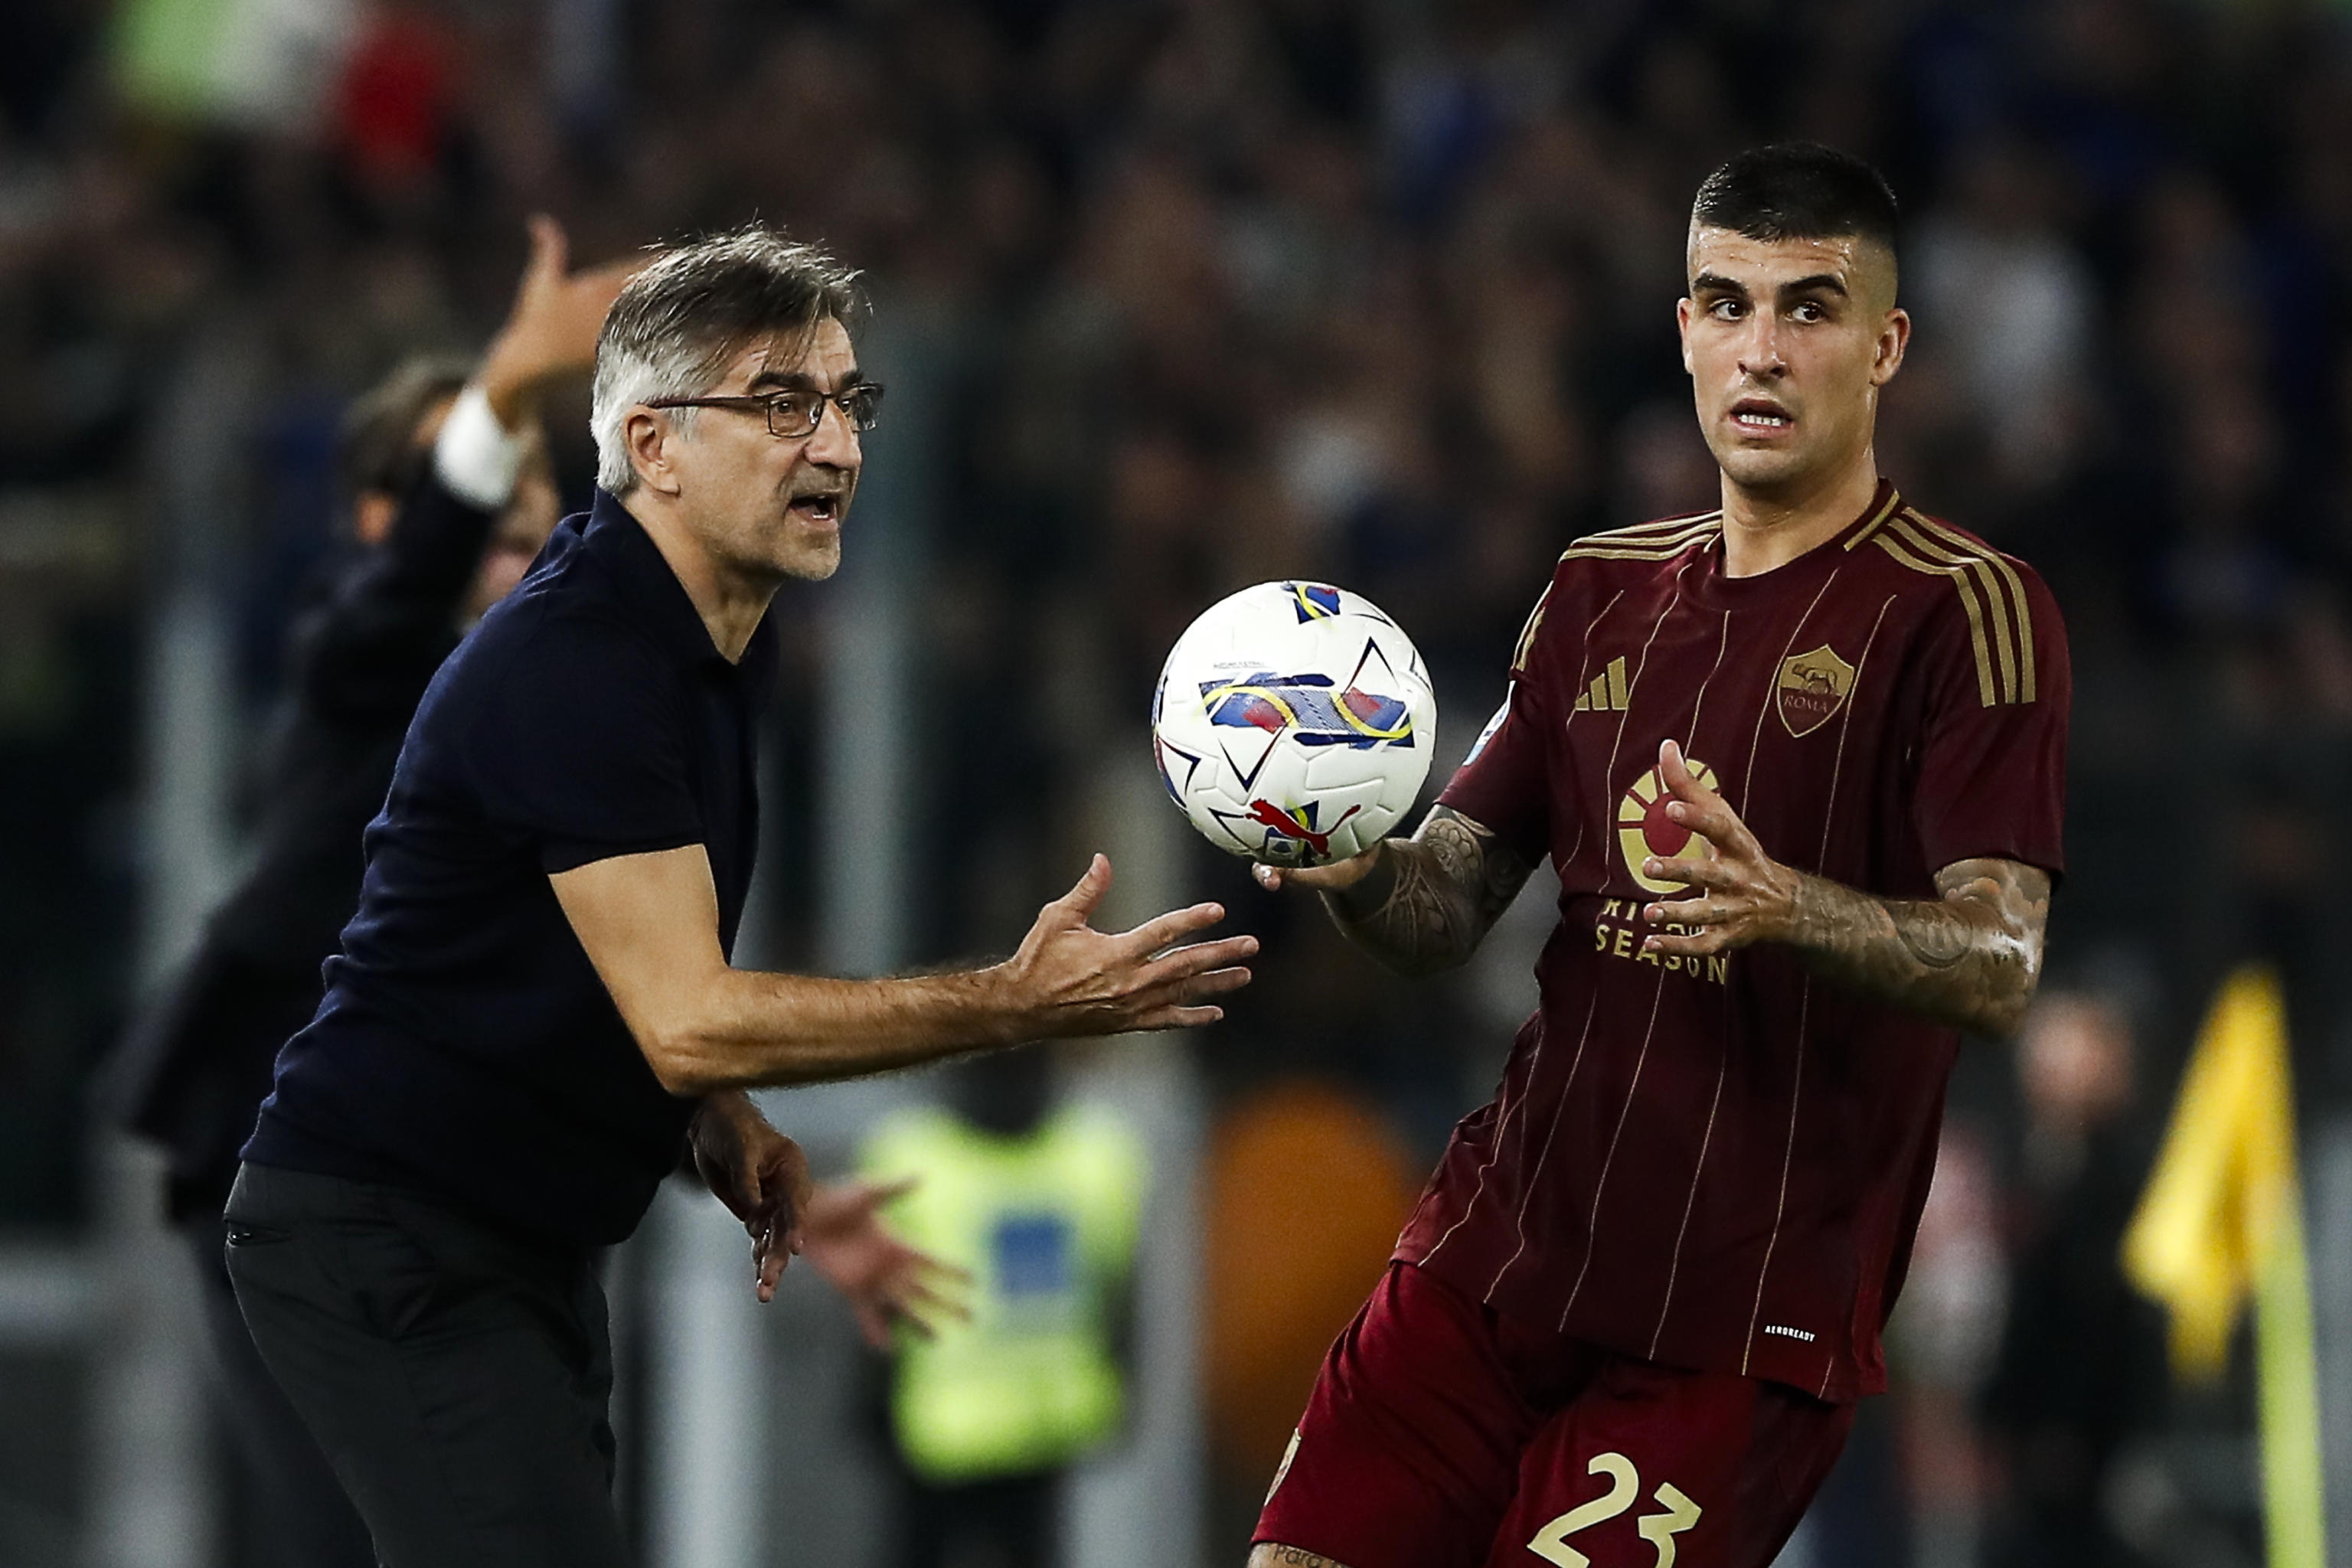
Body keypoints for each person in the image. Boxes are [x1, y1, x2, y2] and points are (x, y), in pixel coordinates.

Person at [221, 224, 1256, 1568]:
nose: (837, 445)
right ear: (650, 445)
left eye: (848, 402)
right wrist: (1011, 1002)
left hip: (509, 1238)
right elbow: (687, 1016)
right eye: (782, 403)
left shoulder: (716, 639)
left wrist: (715, 1119)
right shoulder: (579, 666)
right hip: (390, 1233)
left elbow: (596, 968)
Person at [1247, 143, 2069, 1568]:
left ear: (1885, 347)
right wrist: (1361, 864)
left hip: (1730, 1328)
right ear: (1683, 329)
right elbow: (1449, 899)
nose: (1762, 348)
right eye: (1725, 302)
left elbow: (2001, 958)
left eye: (1808, 308)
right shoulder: (1595, 591)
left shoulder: (1967, 612)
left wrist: (1787, 904)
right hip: (1487, 1260)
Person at [861, 1050, 1146, 1568]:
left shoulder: (912, 1153)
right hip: (974, 1431)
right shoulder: (1095, 1153)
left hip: (984, 1428)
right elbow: (1121, 1301)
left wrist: (869, 1393)